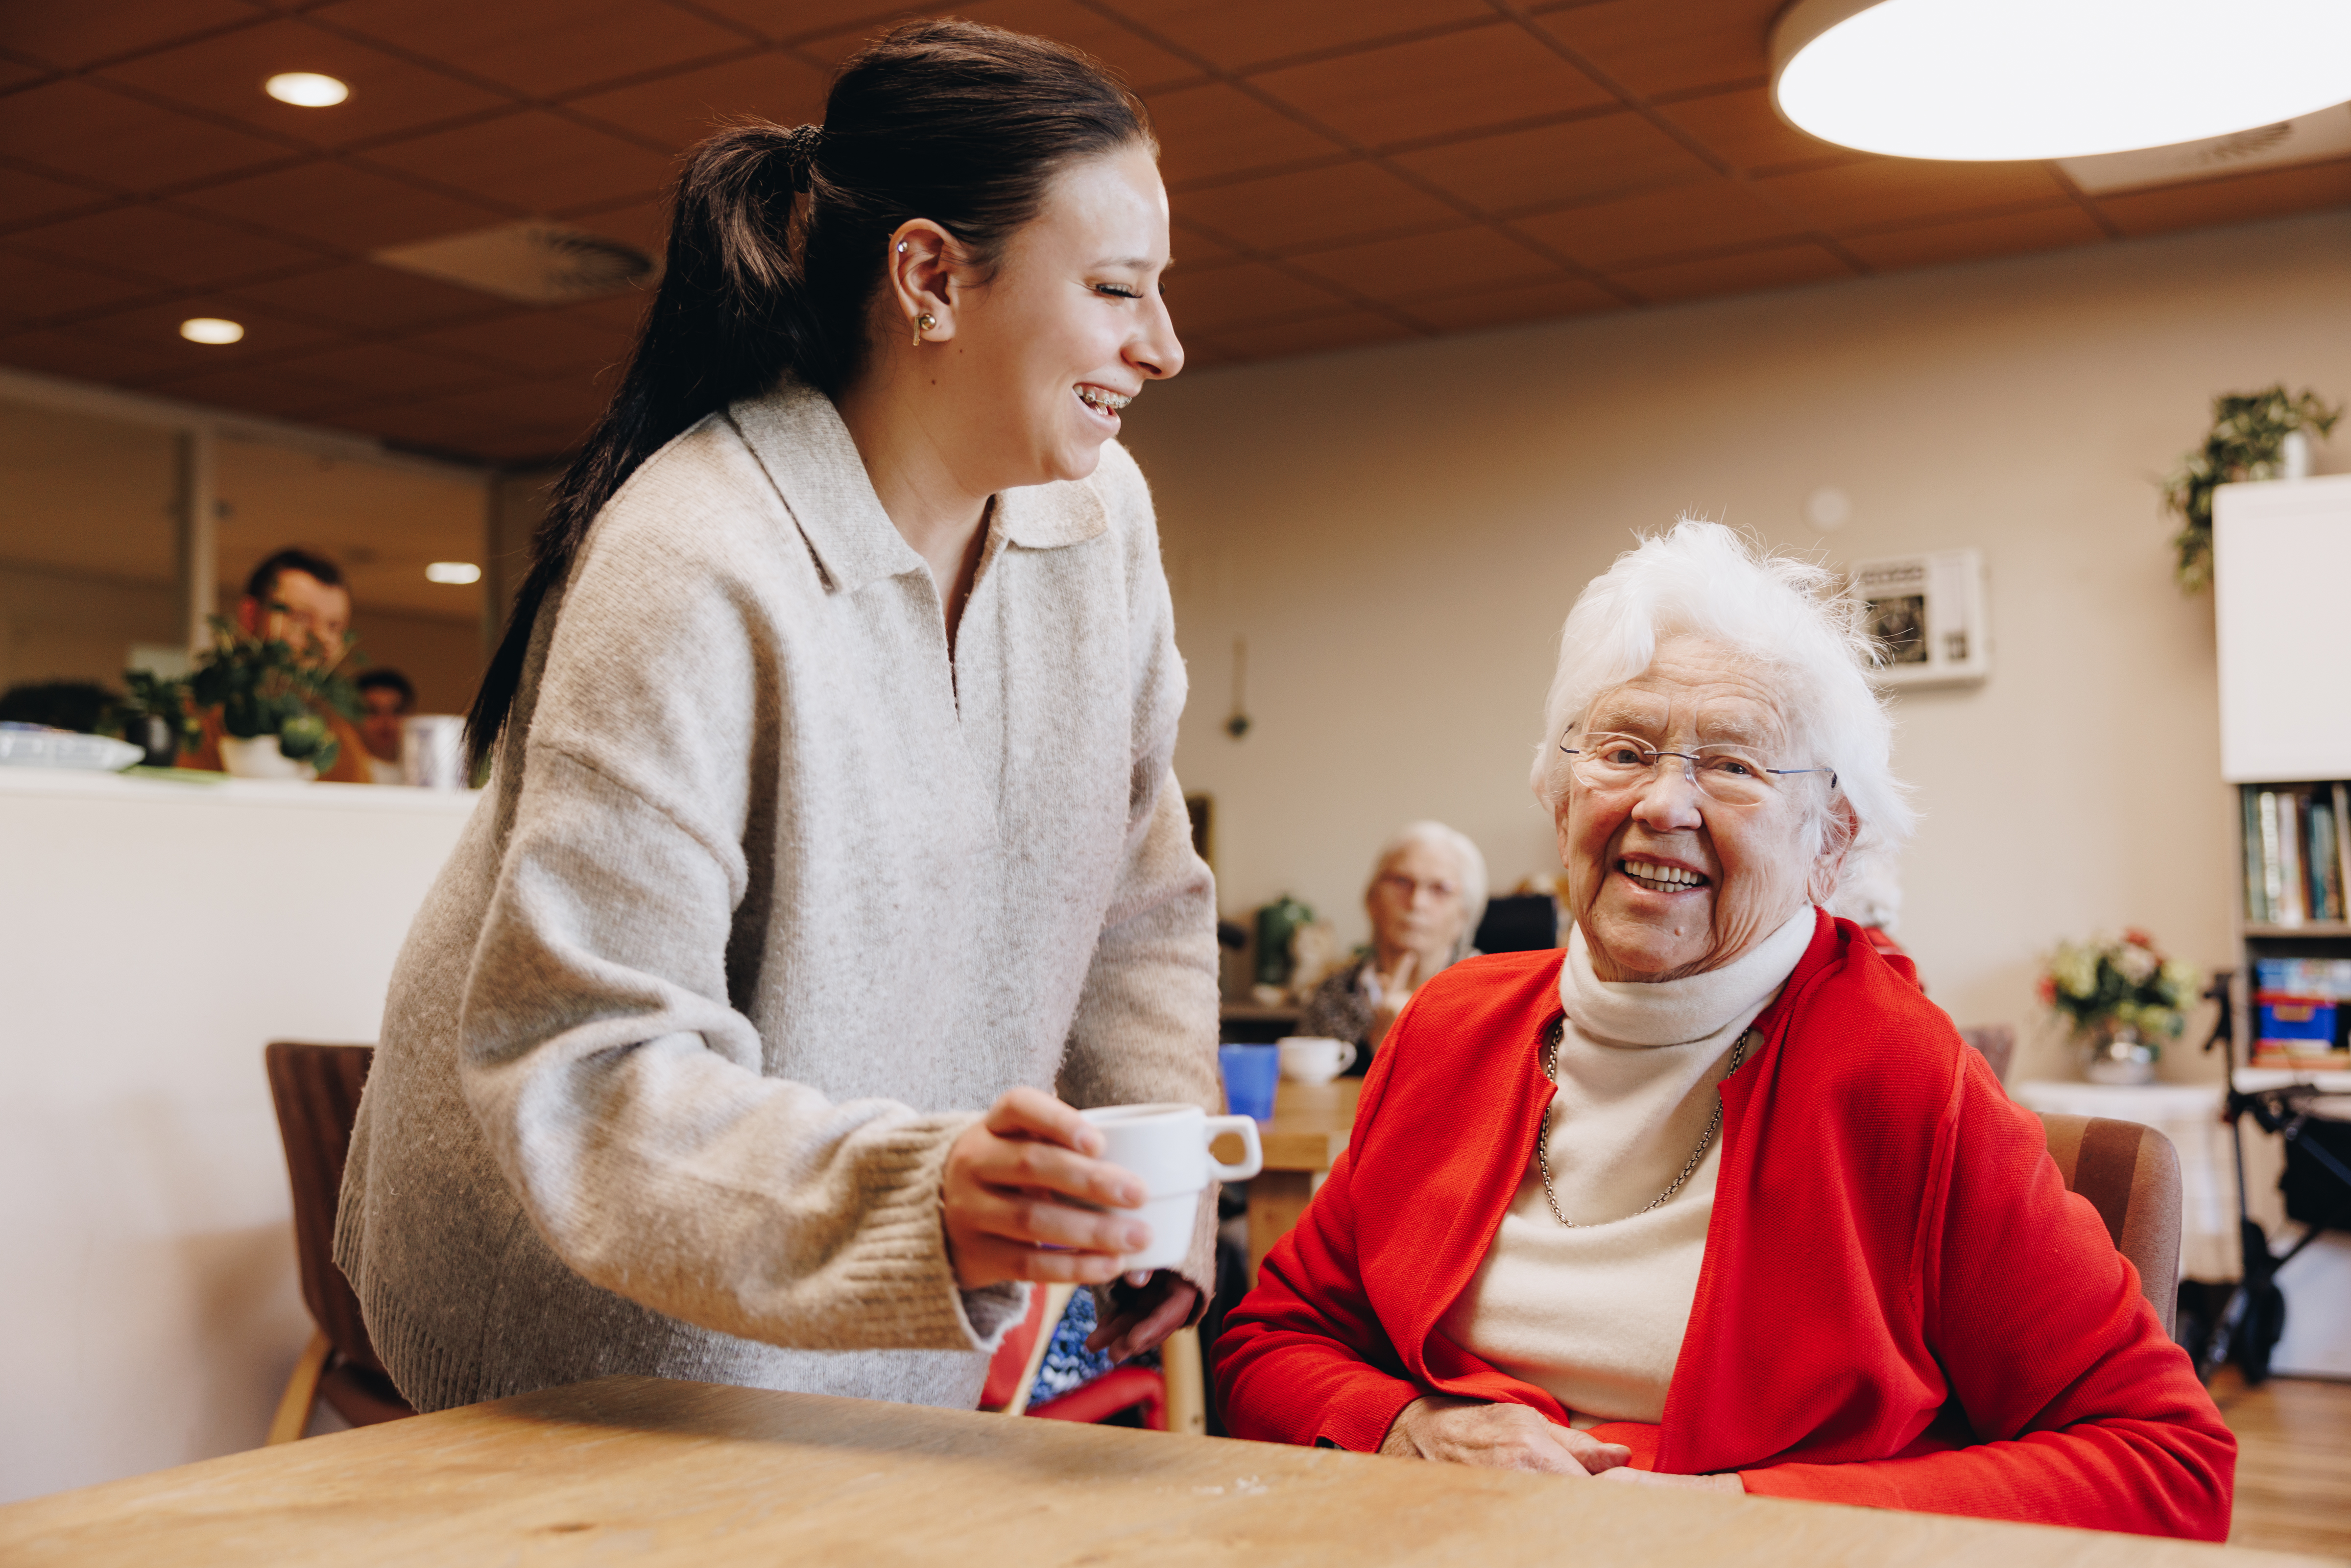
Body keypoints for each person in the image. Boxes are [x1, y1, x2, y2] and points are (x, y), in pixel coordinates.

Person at [336, 21, 1219, 1417]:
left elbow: (1138, 892)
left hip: (881, 1336)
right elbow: (589, 1061)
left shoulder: (1098, 525)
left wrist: (1154, 1188)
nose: (1162, 348)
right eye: (1117, 288)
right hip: (591, 1340)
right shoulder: (694, 558)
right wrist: (920, 1199)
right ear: (929, 277)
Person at [1215, 523, 2233, 1539]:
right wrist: (1408, 1424)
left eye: (1735, 765)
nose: (1664, 803)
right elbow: (1270, 1340)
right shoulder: (1450, 1025)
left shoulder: (1904, 1073)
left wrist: (1727, 1513)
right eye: (1623, 749)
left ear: (1828, 843)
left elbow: (2165, 1458)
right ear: (1560, 792)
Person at [1296, 822, 1487, 1073]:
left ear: (1464, 915)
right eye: (1401, 881)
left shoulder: (1489, 992)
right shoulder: (1334, 995)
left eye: (1440, 889)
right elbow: (1310, 1095)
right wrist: (1376, 1046)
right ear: (1371, 900)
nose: (1417, 902)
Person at [185, 547, 372, 784]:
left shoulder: (338, 739)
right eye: (301, 618)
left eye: (334, 626)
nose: (321, 638)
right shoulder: (192, 722)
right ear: (251, 616)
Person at [355, 668, 416, 784]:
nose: (385, 722)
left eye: (397, 711)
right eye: (373, 711)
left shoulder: (424, 775)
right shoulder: (346, 773)